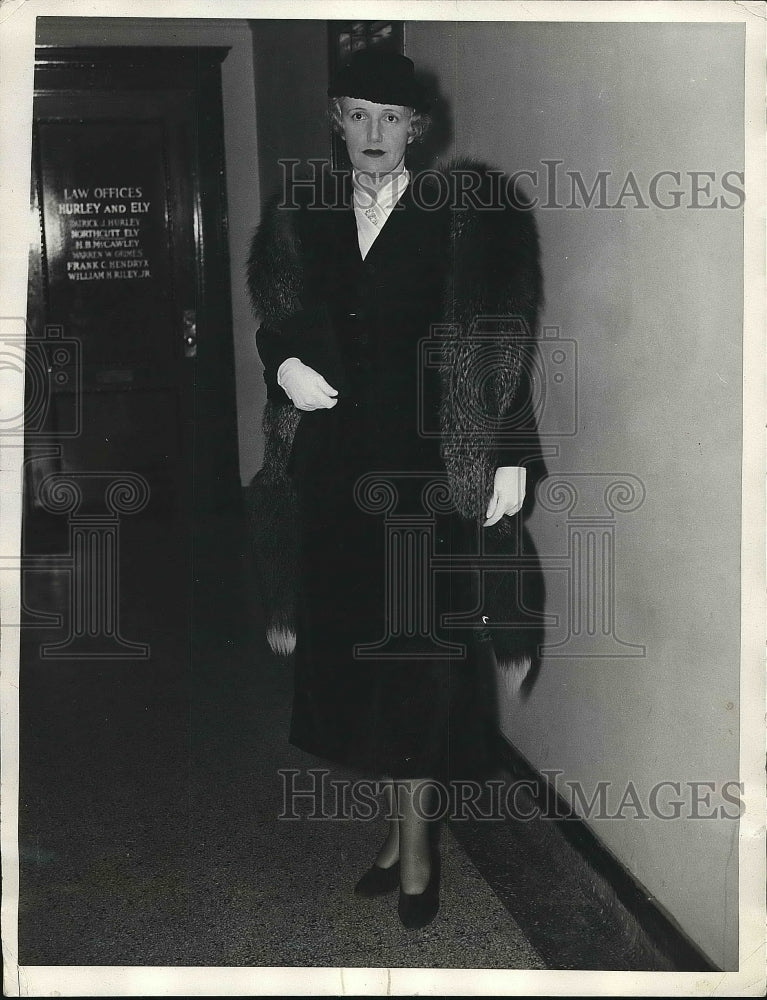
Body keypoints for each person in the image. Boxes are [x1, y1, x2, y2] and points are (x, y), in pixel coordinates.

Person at [246, 49, 542, 929]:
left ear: (416, 129)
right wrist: (284, 362)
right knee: (363, 663)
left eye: (392, 119)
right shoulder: (305, 214)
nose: (374, 135)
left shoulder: (465, 216)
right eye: (357, 115)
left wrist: (511, 455)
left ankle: (418, 852)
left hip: (427, 471)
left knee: (415, 661)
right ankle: (396, 833)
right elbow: (281, 321)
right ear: (337, 122)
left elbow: (498, 343)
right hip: (335, 469)